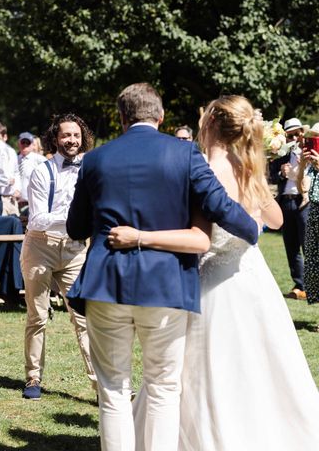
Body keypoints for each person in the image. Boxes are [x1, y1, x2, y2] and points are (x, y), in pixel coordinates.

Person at [110, 95, 319, 450]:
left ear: (208, 124)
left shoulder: (202, 168)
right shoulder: (248, 169)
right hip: (252, 278)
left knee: (201, 368)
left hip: (212, 282)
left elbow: (197, 235)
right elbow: (277, 221)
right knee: (260, 365)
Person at [65, 83, 259, 450]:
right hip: (166, 284)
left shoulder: (95, 159)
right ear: (161, 116)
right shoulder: (185, 154)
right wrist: (252, 228)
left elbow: (76, 227)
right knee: (163, 386)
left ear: (122, 117)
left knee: (113, 390)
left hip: (107, 284)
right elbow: (219, 206)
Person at [21, 113, 97, 400]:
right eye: (66, 135)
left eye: (76, 135)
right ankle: (33, 378)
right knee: (37, 316)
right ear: (55, 138)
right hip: (41, 246)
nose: (72, 140)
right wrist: (76, 217)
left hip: (75, 248)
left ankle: (98, 384)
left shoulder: (89, 167)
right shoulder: (42, 170)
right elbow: (38, 219)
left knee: (83, 317)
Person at [269, 117, 309, 300]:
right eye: (290, 135)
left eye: (297, 133)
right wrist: (281, 173)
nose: (294, 137)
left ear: (302, 133)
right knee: (291, 245)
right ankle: (299, 285)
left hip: (304, 201)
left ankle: (311, 284)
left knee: (308, 244)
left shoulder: (310, 151)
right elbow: (273, 176)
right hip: (286, 201)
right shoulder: (281, 155)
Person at [301, 123, 319, 305]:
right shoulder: (312, 166)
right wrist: (301, 166)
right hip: (314, 213)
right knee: (314, 264)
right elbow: (302, 187)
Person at [17, 131, 46, 215]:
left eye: (28, 143)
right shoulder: (14, 159)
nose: (25, 145)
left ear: (32, 145)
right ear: (19, 143)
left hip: (33, 203)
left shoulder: (40, 160)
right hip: (16, 203)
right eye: (23, 142)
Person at [0, 127, 21, 216]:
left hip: (12, 198)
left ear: (5, 137)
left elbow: (16, 172)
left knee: (16, 227)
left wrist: (18, 189)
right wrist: (6, 181)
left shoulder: (11, 151)